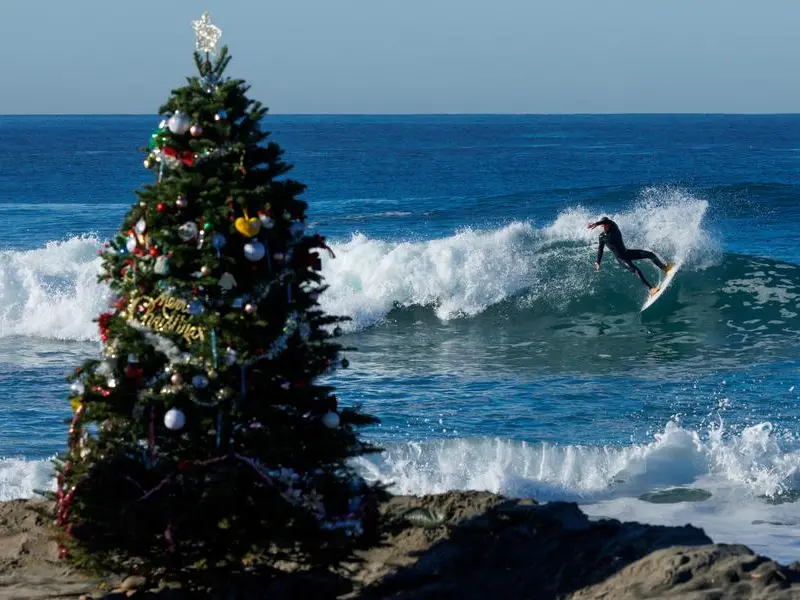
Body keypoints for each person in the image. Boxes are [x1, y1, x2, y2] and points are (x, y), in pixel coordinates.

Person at [587, 216, 673, 295]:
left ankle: (664, 268)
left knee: (650, 254)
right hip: (621, 259)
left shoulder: (614, 228)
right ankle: (651, 290)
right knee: (636, 270)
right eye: (603, 226)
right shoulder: (601, 237)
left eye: (606, 225)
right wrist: (598, 262)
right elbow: (600, 250)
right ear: (601, 226)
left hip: (627, 253)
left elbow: (608, 221)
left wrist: (597, 223)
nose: (605, 227)